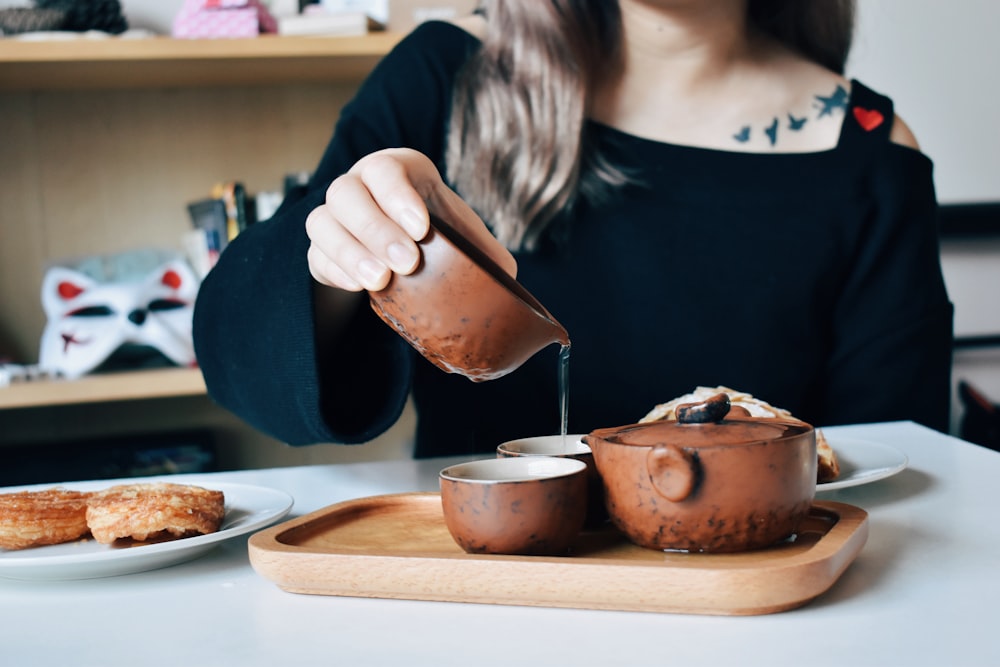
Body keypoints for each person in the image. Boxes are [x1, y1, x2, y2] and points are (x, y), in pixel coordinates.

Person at [192, 0, 954, 458]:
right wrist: (336, 267)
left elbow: (894, 462)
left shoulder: (870, 156)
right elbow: (240, 361)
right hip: (483, 603)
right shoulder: (446, 77)